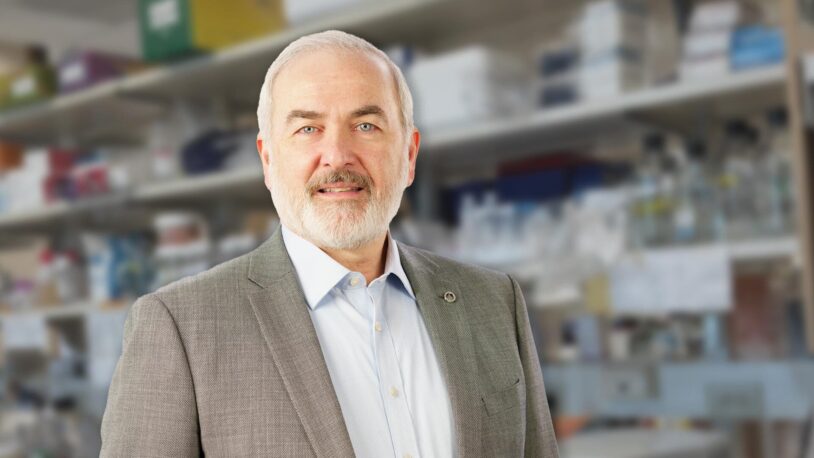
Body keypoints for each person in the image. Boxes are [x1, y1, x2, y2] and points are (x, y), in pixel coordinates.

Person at [100, 30, 559, 458]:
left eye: (366, 126)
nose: (337, 156)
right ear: (267, 160)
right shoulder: (180, 326)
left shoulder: (494, 302)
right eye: (308, 129)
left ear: (409, 155)